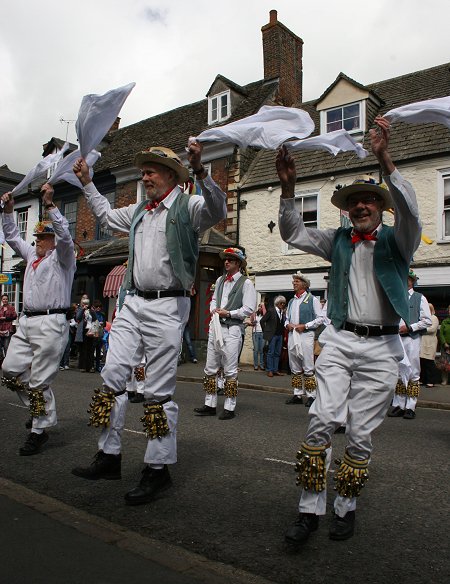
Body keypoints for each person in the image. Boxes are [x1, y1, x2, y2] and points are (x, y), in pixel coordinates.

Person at [276, 115, 421, 545]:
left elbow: (411, 209)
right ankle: (308, 511)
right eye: (354, 201)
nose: (361, 206)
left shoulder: (400, 240)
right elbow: (293, 232)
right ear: (347, 209)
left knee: (359, 435)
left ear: (380, 207)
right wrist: (288, 187)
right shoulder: (337, 240)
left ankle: (346, 507)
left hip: (382, 347)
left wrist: (384, 157)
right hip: (340, 339)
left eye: (369, 200)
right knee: (320, 419)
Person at [71, 141, 227, 504]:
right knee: (111, 377)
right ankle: (109, 456)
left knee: (157, 390)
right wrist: (88, 183)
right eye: (143, 171)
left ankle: (158, 470)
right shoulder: (141, 210)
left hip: (168, 306)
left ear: (172, 176)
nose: (145, 176)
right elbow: (108, 219)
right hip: (132, 302)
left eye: (151, 170)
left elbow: (218, 209)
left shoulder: (189, 207)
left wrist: (202, 171)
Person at [0, 184, 76, 455]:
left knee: (39, 382)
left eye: (43, 237)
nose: (37, 241)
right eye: (36, 236)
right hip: (27, 321)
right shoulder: (32, 254)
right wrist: (9, 211)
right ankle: (39, 411)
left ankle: (39, 430)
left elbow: (66, 237)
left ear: (53, 238)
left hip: (51, 323)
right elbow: (10, 236)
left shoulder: (64, 257)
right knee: (10, 370)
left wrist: (50, 204)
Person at [194, 247, 256, 420]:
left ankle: (229, 407)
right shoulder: (220, 280)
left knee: (230, 370)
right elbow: (213, 300)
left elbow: (249, 308)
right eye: (225, 259)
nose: (226, 262)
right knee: (210, 368)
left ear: (238, 263)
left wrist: (228, 313)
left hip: (232, 329)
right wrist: (214, 310)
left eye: (230, 259)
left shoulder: (246, 283)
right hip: (216, 328)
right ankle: (210, 404)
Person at [388, 269, 431, 419]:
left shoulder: (420, 298)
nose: (405, 281)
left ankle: (411, 406)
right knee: (399, 371)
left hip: (412, 338)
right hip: (396, 339)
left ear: (413, 281)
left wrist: (410, 327)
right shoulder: (395, 297)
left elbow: (427, 321)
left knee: (413, 372)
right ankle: (399, 405)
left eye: (408, 278)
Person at [284, 272, 323, 407]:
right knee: (294, 365)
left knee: (308, 366)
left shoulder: (313, 300)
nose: (294, 283)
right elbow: (287, 318)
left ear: (304, 285)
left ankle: (311, 395)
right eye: (294, 281)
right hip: (292, 335)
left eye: (297, 281)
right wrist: (287, 324)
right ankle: (297, 394)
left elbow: (320, 319)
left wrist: (305, 325)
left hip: (306, 335)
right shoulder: (291, 301)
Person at [260, 296, 286, 377]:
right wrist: (266, 331)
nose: (283, 305)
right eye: (281, 303)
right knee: (271, 352)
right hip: (272, 335)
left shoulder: (282, 312)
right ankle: (269, 370)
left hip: (280, 335)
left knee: (277, 353)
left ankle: (275, 370)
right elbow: (262, 321)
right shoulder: (271, 311)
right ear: (277, 303)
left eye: (284, 303)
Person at [419, 303, 441, 387]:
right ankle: (423, 380)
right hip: (423, 342)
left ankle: (431, 381)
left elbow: (432, 329)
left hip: (430, 342)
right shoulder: (422, 318)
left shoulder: (434, 318)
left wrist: (420, 329)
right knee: (422, 362)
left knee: (429, 362)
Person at [74, 298, 98, 373]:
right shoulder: (80, 310)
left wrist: (94, 329)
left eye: (86, 304)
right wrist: (82, 310)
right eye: (84, 304)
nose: (85, 305)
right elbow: (77, 318)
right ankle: (83, 366)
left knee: (90, 349)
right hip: (83, 331)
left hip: (90, 330)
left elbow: (95, 320)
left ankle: (90, 366)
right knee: (83, 349)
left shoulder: (91, 311)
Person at [0, 293, 17, 362]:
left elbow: (15, 317)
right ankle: (1, 360)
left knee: (6, 346)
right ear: (1, 300)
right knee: (0, 347)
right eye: (3, 299)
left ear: (8, 300)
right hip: (0, 329)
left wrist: (5, 318)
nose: (5, 300)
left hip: (8, 328)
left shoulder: (11, 308)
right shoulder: (0, 308)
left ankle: (8, 362)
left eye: (6, 299)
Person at [250, 303, 265, 370]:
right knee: (256, 350)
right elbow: (251, 322)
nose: (260, 308)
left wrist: (263, 306)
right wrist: (253, 322)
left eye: (261, 307)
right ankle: (256, 365)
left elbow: (265, 314)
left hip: (262, 333)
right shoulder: (254, 314)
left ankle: (261, 365)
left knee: (261, 350)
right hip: (255, 333)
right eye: (259, 307)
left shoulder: (264, 315)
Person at [438, 306, 450, 384]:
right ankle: (444, 380)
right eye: (449, 310)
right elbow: (441, 333)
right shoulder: (444, 322)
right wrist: (444, 343)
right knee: (444, 363)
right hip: (445, 346)